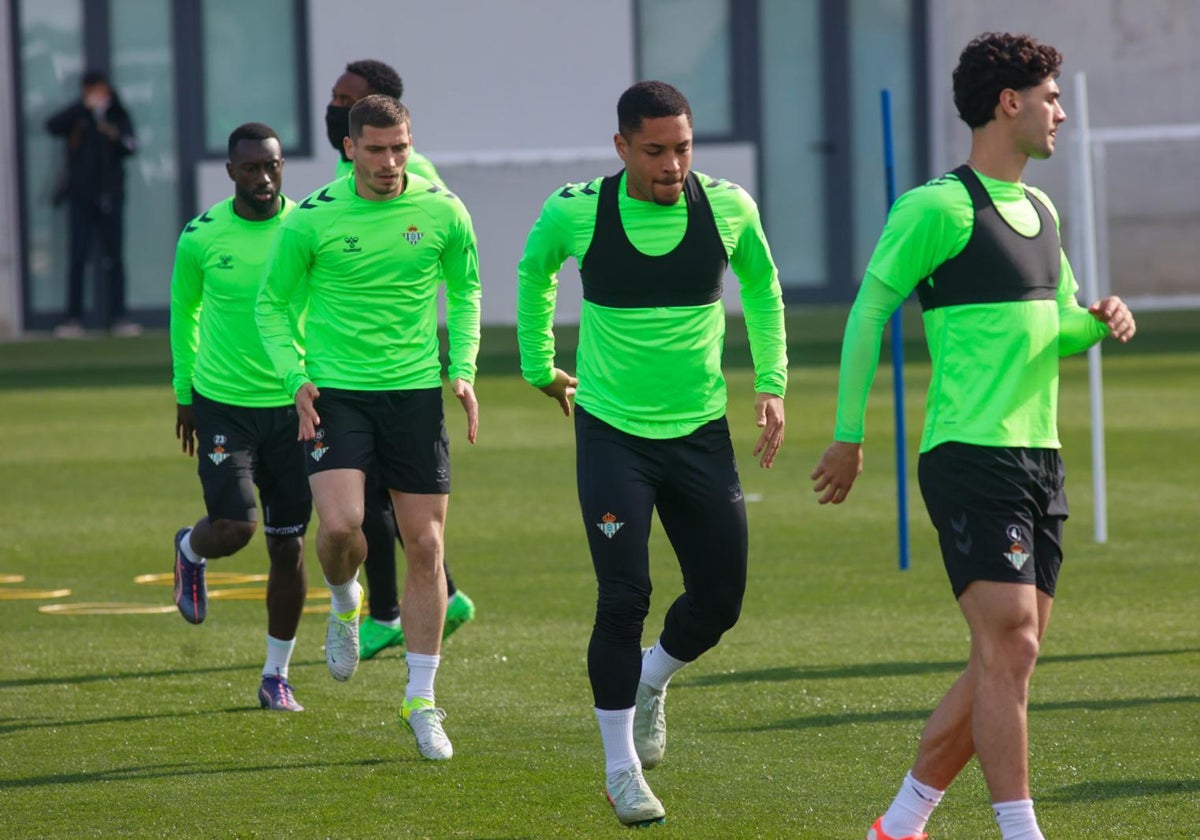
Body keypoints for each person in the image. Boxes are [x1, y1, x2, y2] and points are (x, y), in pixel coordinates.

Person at [809, 33, 1136, 840]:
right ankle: (1020, 830)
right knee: (1012, 643)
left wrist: (1095, 322)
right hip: (968, 453)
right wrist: (848, 436)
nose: (1061, 111)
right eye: (1051, 96)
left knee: (1008, 659)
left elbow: (1052, 325)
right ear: (1009, 102)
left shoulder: (1046, 211)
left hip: (1040, 457)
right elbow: (867, 314)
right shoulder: (935, 207)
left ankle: (899, 823)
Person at [516, 80, 787, 827]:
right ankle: (620, 768)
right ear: (622, 148)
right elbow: (535, 272)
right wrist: (540, 366)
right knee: (623, 596)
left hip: (701, 433)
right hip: (612, 434)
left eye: (684, 148)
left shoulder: (728, 206)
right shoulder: (577, 210)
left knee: (721, 600)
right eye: (656, 151)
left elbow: (762, 288)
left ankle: (651, 681)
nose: (673, 166)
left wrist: (771, 385)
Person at [257, 95, 481, 761]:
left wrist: (462, 367)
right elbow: (273, 303)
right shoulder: (314, 220)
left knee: (428, 549)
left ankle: (421, 701)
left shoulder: (443, 209)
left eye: (400, 148)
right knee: (340, 528)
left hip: (413, 396)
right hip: (338, 393)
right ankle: (343, 596)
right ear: (350, 148)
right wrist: (292, 376)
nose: (390, 162)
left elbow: (466, 288)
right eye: (377, 149)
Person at [324, 58, 476, 658]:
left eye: (344, 97)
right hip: (343, 376)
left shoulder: (423, 186)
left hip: (402, 378)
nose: (332, 104)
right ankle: (414, 600)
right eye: (335, 98)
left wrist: (457, 366)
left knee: (390, 509)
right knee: (366, 509)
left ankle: (390, 612)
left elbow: (459, 276)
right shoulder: (333, 195)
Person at [169, 123, 309, 712]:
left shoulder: (306, 227)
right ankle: (191, 551)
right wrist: (184, 394)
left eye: (272, 166)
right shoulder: (202, 237)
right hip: (224, 403)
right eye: (250, 168)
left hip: (296, 407)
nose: (263, 177)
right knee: (235, 529)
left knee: (289, 548)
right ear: (231, 172)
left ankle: (276, 674)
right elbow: (184, 313)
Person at [45, 69, 140, 338]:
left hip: (111, 196)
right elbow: (52, 126)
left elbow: (130, 146)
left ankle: (119, 317)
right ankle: (73, 318)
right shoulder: (79, 116)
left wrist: (111, 132)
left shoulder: (118, 114)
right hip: (81, 198)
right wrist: (82, 109)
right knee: (78, 258)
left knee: (114, 258)